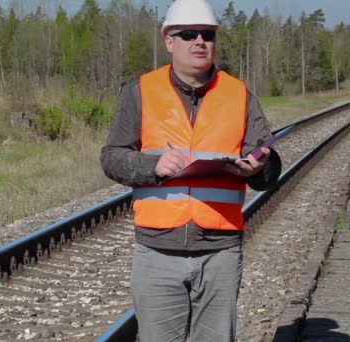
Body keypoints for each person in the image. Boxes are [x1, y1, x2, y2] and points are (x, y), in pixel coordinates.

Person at [100, 0, 282, 340]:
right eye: (189, 34)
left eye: (208, 35)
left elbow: (269, 166)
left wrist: (257, 168)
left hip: (220, 251)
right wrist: (151, 165)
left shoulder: (239, 94)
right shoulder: (140, 92)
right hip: (156, 251)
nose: (200, 41)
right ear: (169, 41)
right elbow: (111, 157)